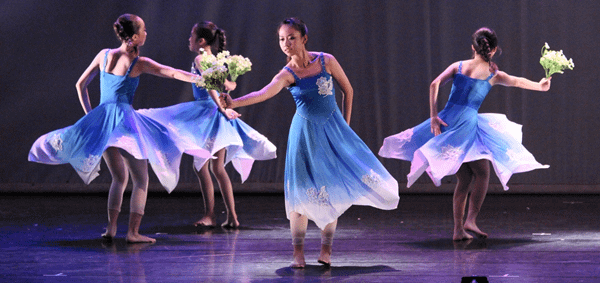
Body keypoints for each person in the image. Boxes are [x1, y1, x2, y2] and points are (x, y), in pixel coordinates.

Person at [222, 18, 399, 268]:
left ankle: (326, 250)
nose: (286, 43)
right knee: (300, 193)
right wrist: (234, 102)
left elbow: (348, 90)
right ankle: (298, 253)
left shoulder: (327, 61)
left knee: (331, 190)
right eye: (282, 39)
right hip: (304, 136)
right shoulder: (287, 74)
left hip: (333, 131)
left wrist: (344, 127)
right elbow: (263, 93)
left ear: (304, 38)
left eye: (291, 37)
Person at [29, 14, 211, 243]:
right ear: (134, 37)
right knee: (141, 180)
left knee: (118, 178)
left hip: (103, 122)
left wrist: (93, 117)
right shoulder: (138, 63)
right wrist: (203, 79)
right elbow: (172, 73)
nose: (147, 33)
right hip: (125, 124)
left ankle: (111, 229)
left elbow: (80, 84)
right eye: (144, 30)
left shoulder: (104, 55)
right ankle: (133, 233)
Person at [379, 27, 551, 241]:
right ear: (495, 49)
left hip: (447, 120)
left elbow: (435, 84)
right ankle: (470, 220)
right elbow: (516, 81)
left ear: (473, 47)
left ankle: (458, 230)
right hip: (467, 124)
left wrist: (433, 116)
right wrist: (540, 86)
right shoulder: (493, 74)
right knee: (483, 173)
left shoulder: (458, 66)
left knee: (465, 177)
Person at [138, 21, 277, 228]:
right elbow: (226, 85)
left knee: (204, 167)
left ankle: (211, 215)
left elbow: (211, 85)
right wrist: (230, 86)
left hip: (207, 114)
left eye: (191, 36)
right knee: (217, 168)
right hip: (216, 114)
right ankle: (232, 217)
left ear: (201, 41)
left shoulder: (201, 58)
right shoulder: (214, 59)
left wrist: (222, 107)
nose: (189, 39)